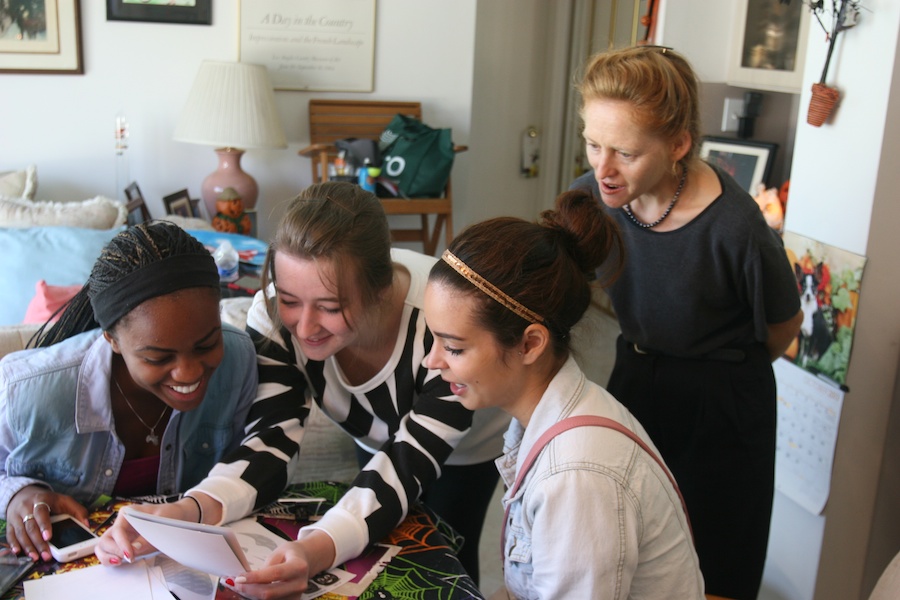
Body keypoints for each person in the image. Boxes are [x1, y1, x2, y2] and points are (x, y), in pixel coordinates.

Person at [97, 182, 509, 595]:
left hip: (465, 445)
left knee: (449, 549)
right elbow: (271, 438)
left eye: (330, 308)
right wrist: (191, 510)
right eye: (291, 299)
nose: (305, 328)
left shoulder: (441, 326)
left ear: (378, 291)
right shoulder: (274, 315)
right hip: (367, 426)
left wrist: (314, 549)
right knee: (375, 534)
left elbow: (407, 462)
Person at [569, 45, 803, 599]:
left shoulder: (736, 227)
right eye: (592, 143)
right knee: (625, 551)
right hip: (637, 379)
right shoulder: (592, 196)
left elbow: (783, 327)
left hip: (723, 402)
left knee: (712, 567)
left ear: (677, 145)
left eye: (623, 152)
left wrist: (715, 372)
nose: (602, 168)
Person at [423, 190, 705, 599]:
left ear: (529, 344)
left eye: (454, 347)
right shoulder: (545, 419)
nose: (433, 361)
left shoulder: (576, 476)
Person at [0, 221, 258, 564]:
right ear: (112, 339)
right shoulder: (27, 390)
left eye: (207, 344)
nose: (190, 372)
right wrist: (18, 494)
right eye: (158, 357)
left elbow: (251, 464)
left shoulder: (238, 360)